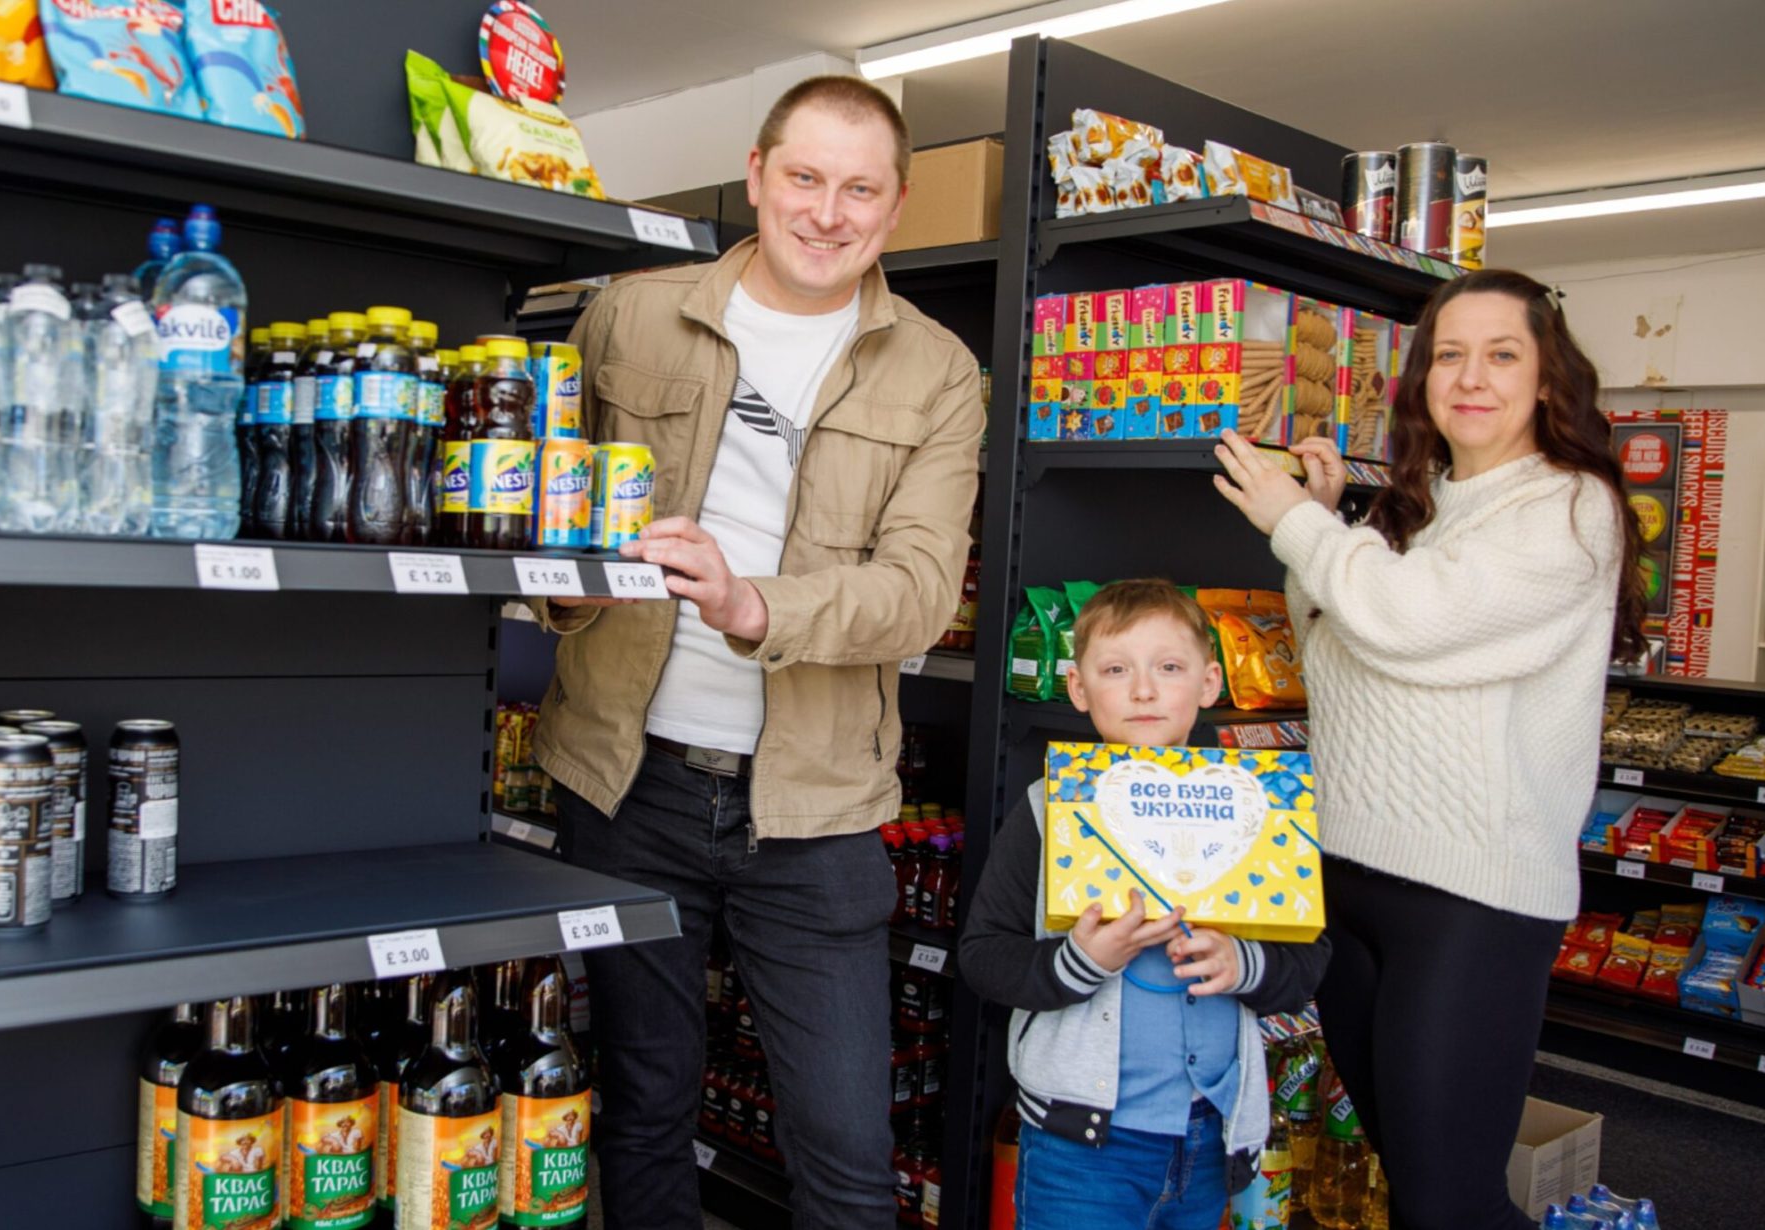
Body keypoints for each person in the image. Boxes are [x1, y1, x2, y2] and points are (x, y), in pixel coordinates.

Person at [532, 75, 983, 1230]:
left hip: (817, 814)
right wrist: (571, 601)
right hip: (626, 784)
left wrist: (750, 606)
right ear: (756, 175)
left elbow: (923, 594)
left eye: (858, 189)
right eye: (804, 178)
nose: (826, 213)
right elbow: (550, 514)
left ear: (894, 205)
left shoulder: (937, 372)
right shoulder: (630, 313)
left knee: (841, 1147)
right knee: (641, 1105)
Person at [1211, 270, 1644, 1230]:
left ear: (1548, 379)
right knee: (1411, 1179)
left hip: (1470, 899)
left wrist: (1298, 522)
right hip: (1353, 879)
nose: (1471, 376)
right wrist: (1321, 534)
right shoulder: (1422, 503)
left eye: (1502, 354)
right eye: (1450, 354)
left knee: (1453, 1204)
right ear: (1421, 380)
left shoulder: (1569, 509)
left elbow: (1408, 621)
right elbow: (1339, 645)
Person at [959, 579, 1329, 1230]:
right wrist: (1078, 962)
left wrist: (1242, 963)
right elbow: (985, 957)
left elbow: (1310, 961)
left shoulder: (1258, 810)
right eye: (1115, 669)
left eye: (1169, 667)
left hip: (1210, 1136)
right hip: (1081, 1147)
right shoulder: (1051, 812)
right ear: (1078, 688)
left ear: (1210, 683)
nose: (1144, 690)